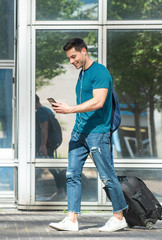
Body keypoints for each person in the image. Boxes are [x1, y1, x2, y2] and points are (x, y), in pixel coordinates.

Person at [48, 38, 128, 232]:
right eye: (69, 58)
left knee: (107, 176)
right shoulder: (82, 74)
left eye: (73, 56)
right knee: (72, 174)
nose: (71, 61)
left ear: (84, 51)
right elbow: (85, 102)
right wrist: (68, 108)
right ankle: (72, 219)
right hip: (79, 131)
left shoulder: (100, 72)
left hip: (97, 133)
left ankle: (119, 217)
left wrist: (70, 110)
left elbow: (98, 102)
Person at [35, 94, 66, 199]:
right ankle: (60, 190)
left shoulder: (40, 112)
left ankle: (60, 191)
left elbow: (44, 129)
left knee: (41, 165)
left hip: (46, 144)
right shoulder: (46, 110)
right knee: (51, 165)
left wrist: (43, 145)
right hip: (52, 143)